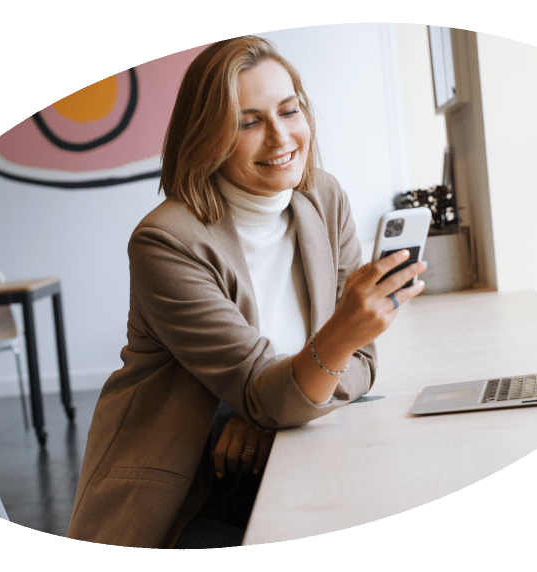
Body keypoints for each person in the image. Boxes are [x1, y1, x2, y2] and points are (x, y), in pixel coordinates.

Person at [66, 35, 427, 549]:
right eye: (248, 122)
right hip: (194, 493)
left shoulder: (323, 199)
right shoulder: (166, 242)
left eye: (289, 111)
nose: (281, 138)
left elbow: (361, 364)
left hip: (275, 457)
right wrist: (282, 395)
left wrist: (270, 418)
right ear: (208, 135)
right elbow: (287, 383)